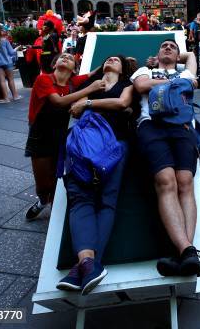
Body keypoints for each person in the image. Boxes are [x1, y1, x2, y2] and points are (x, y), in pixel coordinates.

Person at [57, 55, 135, 295]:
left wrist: (89, 103)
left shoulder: (127, 86)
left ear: (122, 69)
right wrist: (90, 90)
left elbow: (123, 104)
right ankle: (88, 264)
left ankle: (82, 266)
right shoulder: (87, 86)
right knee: (80, 200)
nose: (111, 59)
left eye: (116, 60)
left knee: (107, 201)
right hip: (82, 144)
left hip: (115, 145)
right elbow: (73, 108)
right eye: (108, 58)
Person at [131, 40, 200, 277]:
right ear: (156, 53)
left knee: (185, 182)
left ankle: (186, 253)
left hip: (182, 127)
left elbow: (192, 54)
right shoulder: (146, 70)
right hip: (151, 126)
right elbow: (142, 86)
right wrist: (177, 82)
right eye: (164, 46)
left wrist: (178, 65)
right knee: (166, 181)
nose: (168, 48)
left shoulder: (185, 70)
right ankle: (187, 251)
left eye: (172, 46)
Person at [24, 54, 104, 221]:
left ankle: (54, 215)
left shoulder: (73, 82)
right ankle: (42, 201)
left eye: (69, 57)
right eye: (62, 56)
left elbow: (94, 73)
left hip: (60, 136)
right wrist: (90, 89)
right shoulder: (43, 79)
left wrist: (112, 59)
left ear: (74, 68)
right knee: (42, 184)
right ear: (55, 65)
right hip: (40, 136)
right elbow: (58, 102)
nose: (66, 57)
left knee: (55, 178)